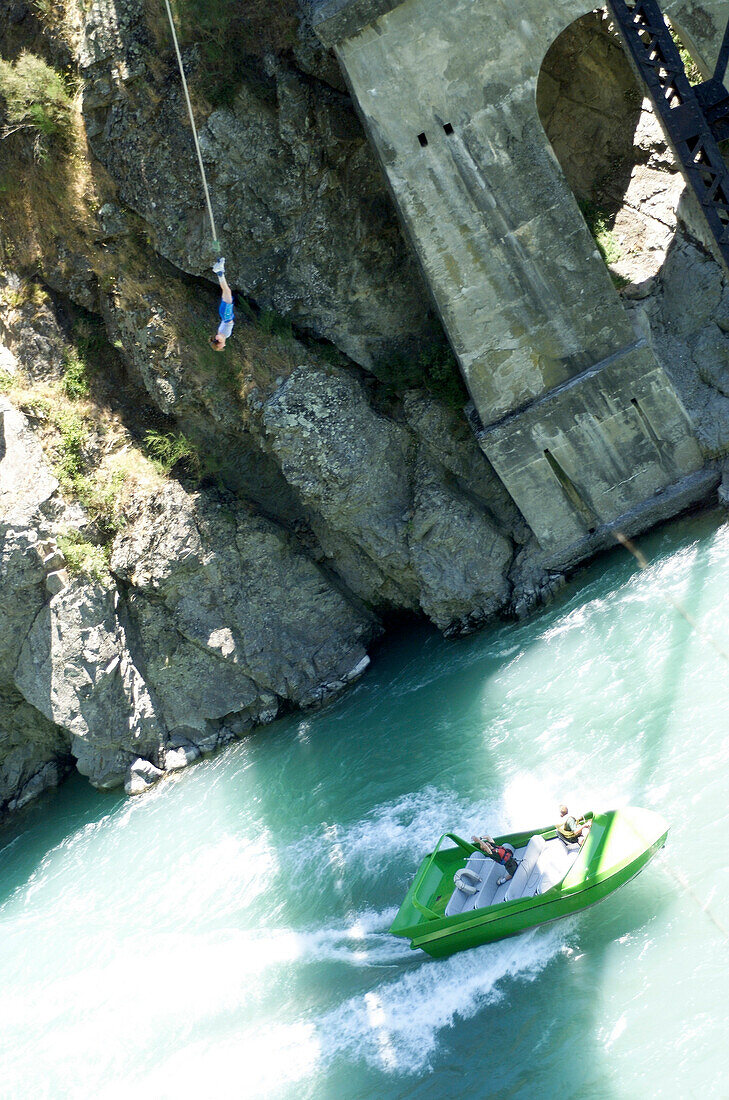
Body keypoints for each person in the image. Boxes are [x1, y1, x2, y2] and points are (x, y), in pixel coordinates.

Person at [209, 257, 234, 351]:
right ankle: (220, 269)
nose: (224, 346)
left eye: (221, 347)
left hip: (226, 316)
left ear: (219, 343)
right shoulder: (223, 336)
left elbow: (218, 337)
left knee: (227, 291)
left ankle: (219, 272)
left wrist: (217, 341)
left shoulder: (221, 337)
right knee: (226, 291)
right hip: (225, 315)